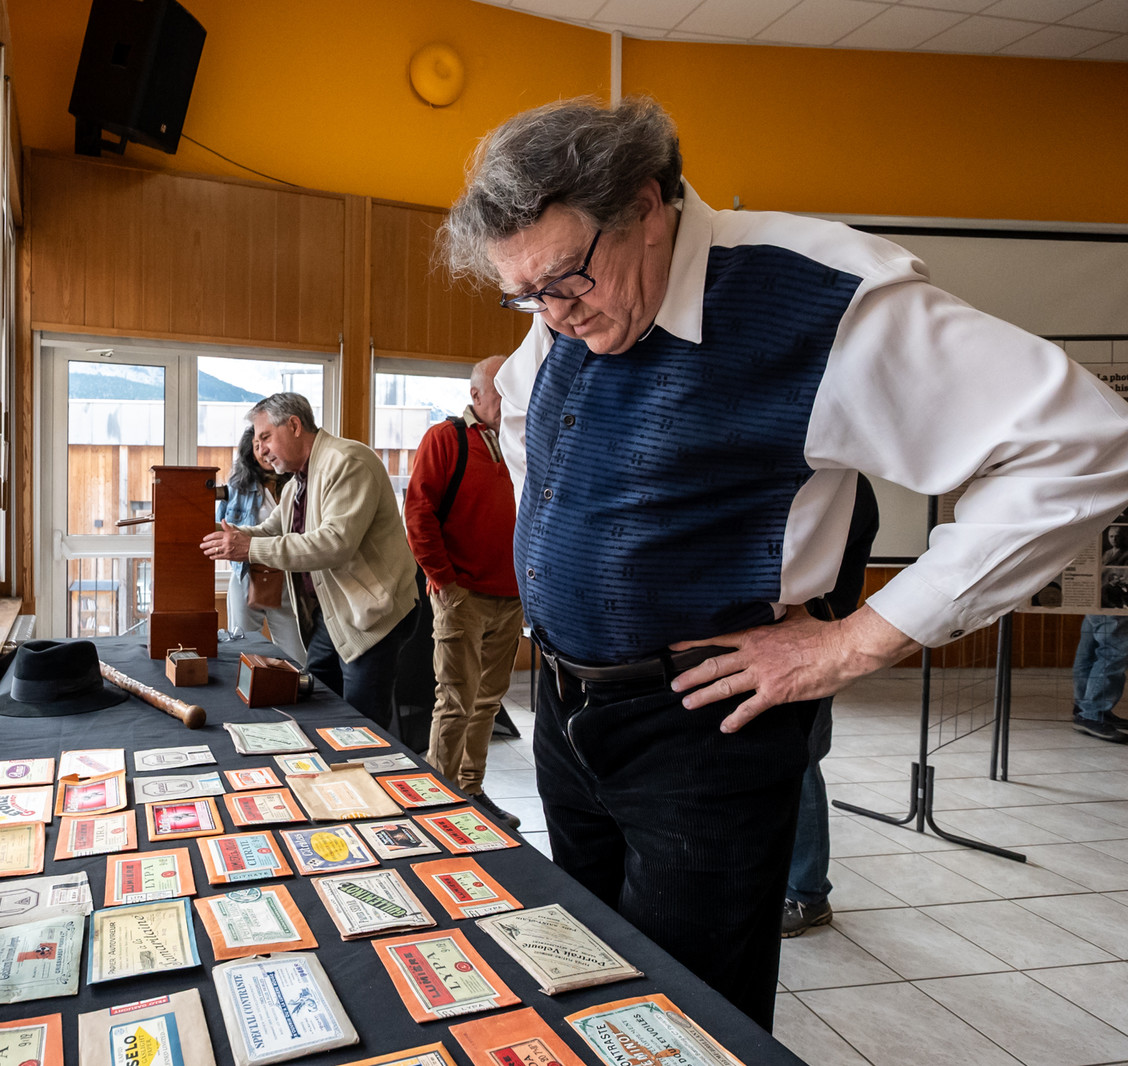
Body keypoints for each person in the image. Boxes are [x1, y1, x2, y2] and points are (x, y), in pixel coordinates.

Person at [438, 97, 1128, 1029]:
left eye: (563, 283)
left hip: (701, 720)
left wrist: (853, 643)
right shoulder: (575, 297)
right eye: (526, 297)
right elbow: (523, 406)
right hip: (567, 705)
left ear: (647, 204)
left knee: (686, 1021)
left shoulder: (820, 297)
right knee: (590, 980)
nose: (553, 317)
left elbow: (1084, 445)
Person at [201, 393, 418, 727]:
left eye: (265, 437)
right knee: (317, 704)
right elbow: (269, 531)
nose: (261, 449)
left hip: (374, 617)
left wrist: (248, 549)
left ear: (294, 425)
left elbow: (335, 544)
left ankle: (364, 773)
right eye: (257, 441)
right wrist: (213, 530)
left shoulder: (347, 462)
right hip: (334, 616)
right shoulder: (296, 484)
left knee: (361, 724)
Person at [404, 355, 523, 830]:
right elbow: (418, 515)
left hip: (512, 596)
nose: (512, 400)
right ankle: (438, 798)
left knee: (488, 702)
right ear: (476, 396)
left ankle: (471, 792)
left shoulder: (522, 441)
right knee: (455, 700)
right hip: (462, 596)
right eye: (502, 390)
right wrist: (445, 582)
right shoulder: (445, 438)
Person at [783, 476, 879, 937]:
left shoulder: (842, 483)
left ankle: (806, 895)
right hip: (785, 645)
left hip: (807, 647)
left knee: (798, 766)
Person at [216, 424, 307, 663]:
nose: (263, 451)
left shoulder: (296, 484)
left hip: (287, 573)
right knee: (242, 647)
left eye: (265, 444)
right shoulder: (237, 486)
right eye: (256, 446)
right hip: (247, 573)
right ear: (250, 452)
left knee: (296, 651)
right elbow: (222, 525)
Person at [1072, 614, 1128, 742]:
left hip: (1093, 598)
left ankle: (1084, 710)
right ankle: (1092, 713)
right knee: (1113, 654)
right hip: (1114, 599)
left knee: (1089, 653)